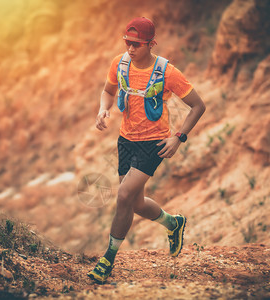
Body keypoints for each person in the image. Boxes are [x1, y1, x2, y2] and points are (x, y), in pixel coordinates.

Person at [88, 17, 206, 284]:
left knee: (123, 195)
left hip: (154, 144)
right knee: (136, 203)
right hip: (125, 139)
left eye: (137, 44)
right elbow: (107, 90)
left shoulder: (167, 72)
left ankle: (107, 259)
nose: (131, 48)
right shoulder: (120, 63)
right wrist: (102, 109)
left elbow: (198, 106)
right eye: (127, 42)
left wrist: (179, 138)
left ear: (151, 44)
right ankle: (173, 224)